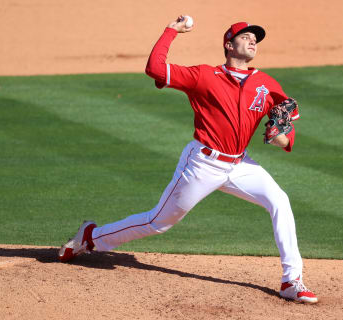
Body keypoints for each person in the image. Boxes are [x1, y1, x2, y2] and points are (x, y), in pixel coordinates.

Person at [59, 16, 318, 304]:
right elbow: (155, 68)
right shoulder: (204, 76)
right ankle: (92, 237)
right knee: (158, 222)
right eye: (245, 37)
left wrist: (280, 137)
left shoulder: (265, 84)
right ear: (228, 45)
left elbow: (285, 130)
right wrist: (172, 31)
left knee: (279, 201)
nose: (252, 40)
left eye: (255, 38)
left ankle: (291, 280)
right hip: (202, 164)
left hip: (241, 165)